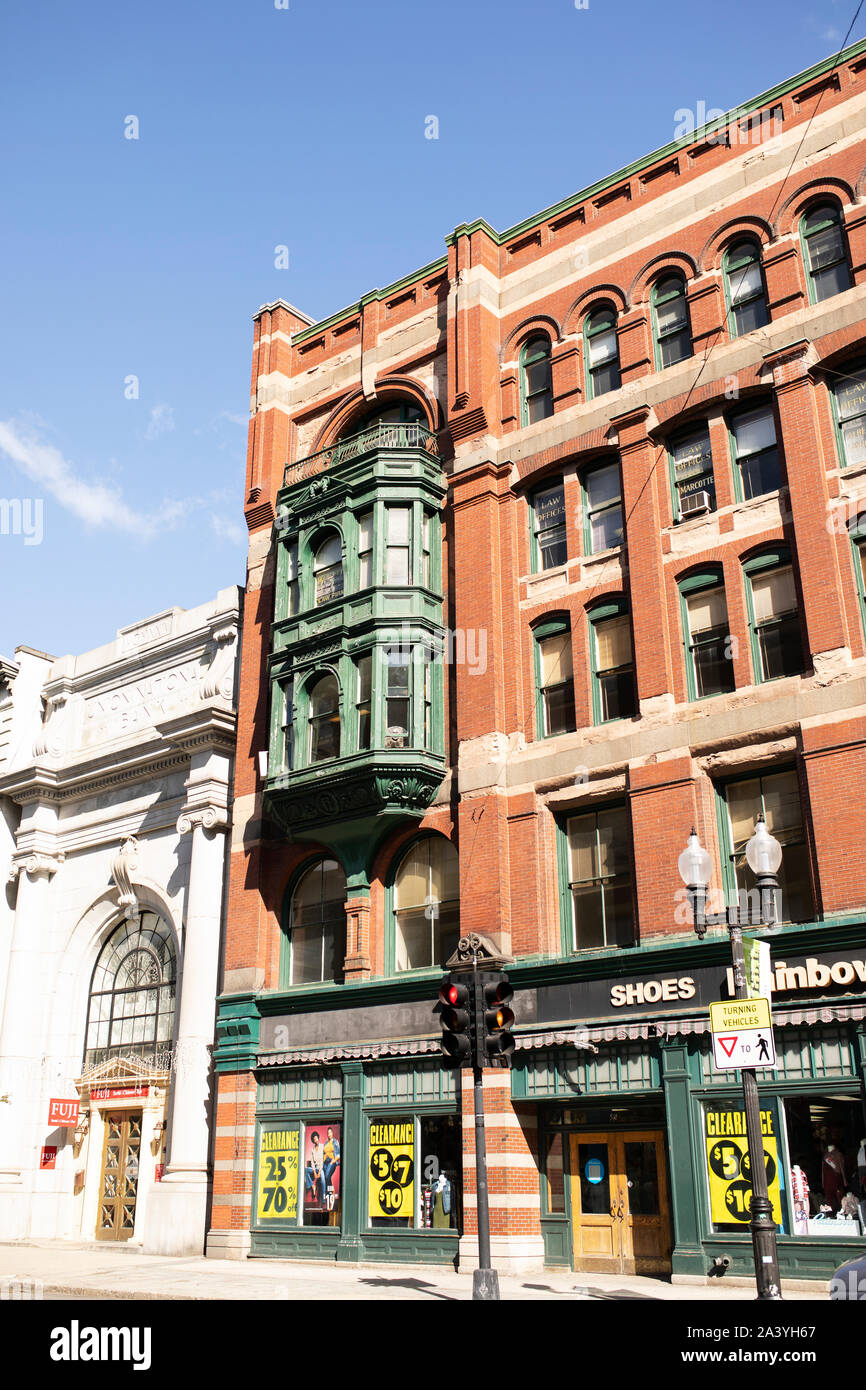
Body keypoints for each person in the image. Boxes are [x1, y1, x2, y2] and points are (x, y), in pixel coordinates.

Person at [305, 1131, 325, 1205]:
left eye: (316, 1138)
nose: (316, 1140)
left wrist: (319, 1172)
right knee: (305, 1170)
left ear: (318, 1138)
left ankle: (323, 1199)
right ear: (313, 1141)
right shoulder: (312, 1149)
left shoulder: (322, 1146)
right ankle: (312, 1186)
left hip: (321, 1168)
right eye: (314, 1139)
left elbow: (322, 1160)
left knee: (323, 1179)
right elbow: (312, 1162)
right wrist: (314, 1172)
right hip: (315, 1168)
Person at [323, 1126, 340, 1196]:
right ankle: (329, 1192)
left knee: (327, 1176)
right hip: (325, 1162)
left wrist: (333, 1161)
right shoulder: (326, 1143)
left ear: (332, 1133)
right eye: (328, 1133)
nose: (329, 1134)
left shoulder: (335, 1142)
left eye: (330, 1132)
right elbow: (323, 1152)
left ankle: (332, 1190)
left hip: (331, 1161)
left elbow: (338, 1154)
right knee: (327, 1177)